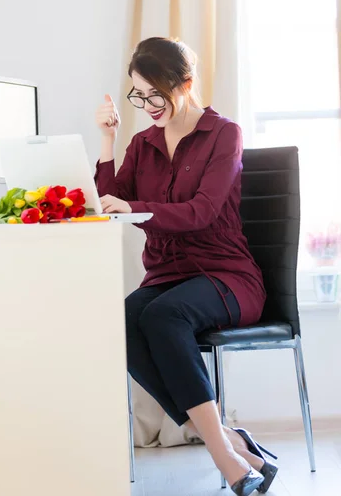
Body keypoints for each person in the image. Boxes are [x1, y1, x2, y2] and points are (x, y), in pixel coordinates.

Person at [95, 37, 277, 496]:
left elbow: (202, 211)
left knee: (162, 316)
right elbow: (109, 201)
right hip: (167, 277)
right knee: (125, 320)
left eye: (156, 94)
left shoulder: (224, 134)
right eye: (139, 95)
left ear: (186, 84)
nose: (148, 105)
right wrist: (107, 140)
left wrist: (133, 204)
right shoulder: (142, 143)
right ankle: (232, 441)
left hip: (227, 277)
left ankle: (223, 454)